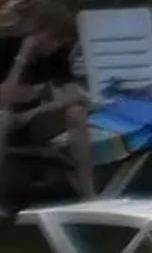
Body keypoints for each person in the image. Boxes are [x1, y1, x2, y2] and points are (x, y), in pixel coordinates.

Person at [1, 25, 95, 201]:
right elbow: (3, 100)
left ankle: (88, 193)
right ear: (35, 35)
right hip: (6, 119)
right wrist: (22, 56)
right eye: (53, 39)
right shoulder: (6, 49)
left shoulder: (56, 55)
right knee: (2, 118)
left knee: (76, 113)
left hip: (34, 122)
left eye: (60, 40)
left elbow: (75, 95)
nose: (56, 45)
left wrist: (34, 113)